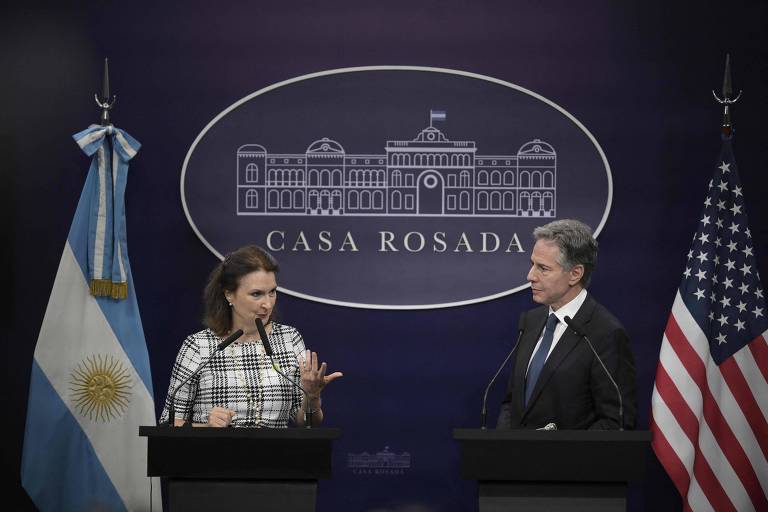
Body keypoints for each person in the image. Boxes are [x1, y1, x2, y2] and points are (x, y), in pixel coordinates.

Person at [160, 245, 342, 427]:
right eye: (257, 294)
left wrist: (312, 396)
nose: (268, 304)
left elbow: (307, 423)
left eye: (272, 292)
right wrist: (205, 427)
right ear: (229, 295)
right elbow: (167, 424)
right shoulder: (198, 346)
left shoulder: (289, 339)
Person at [497, 219, 636, 430]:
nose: (530, 276)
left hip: (570, 461)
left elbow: (615, 420)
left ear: (575, 274)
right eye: (532, 264)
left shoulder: (606, 333)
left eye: (543, 268)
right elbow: (512, 402)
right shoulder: (531, 321)